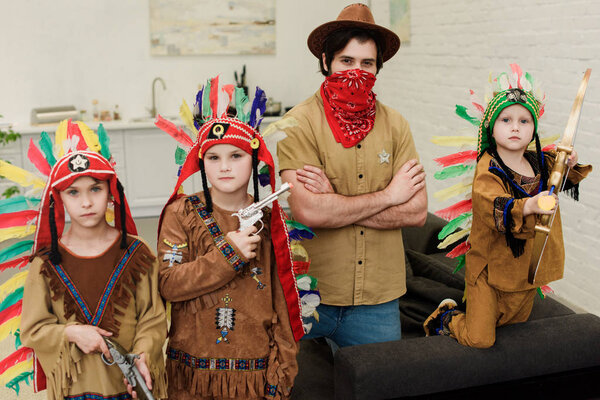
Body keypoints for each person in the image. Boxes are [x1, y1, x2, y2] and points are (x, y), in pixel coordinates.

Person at [276, 3, 427, 348]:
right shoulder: (298, 123)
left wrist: (335, 203)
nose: (357, 71)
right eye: (347, 61)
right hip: (312, 291)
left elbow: (417, 212)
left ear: (377, 68)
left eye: (367, 63)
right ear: (327, 62)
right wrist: (390, 195)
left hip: (379, 298)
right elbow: (309, 212)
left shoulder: (396, 124)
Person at [156, 80, 304, 399]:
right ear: (200, 162)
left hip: (253, 377)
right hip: (191, 376)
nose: (224, 167)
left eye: (236, 156)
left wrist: (281, 373)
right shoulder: (180, 214)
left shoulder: (271, 221)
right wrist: (228, 254)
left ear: (254, 159)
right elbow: (167, 283)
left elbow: (285, 304)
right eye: (213, 158)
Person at [423, 73, 592, 348]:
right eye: (506, 120)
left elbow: (559, 179)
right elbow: (494, 204)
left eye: (524, 121)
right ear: (492, 127)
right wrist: (532, 204)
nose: (515, 127)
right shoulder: (488, 168)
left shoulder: (539, 161)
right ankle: (447, 318)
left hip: (525, 269)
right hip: (489, 270)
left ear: (533, 128)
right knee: (481, 338)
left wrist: (567, 165)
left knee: (510, 328)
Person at [18, 121, 167, 399]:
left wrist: (143, 355)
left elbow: (153, 319)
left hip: (129, 386)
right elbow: (33, 330)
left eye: (95, 189)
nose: (86, 202)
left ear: (112, 192)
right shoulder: (45, 264)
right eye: (74, 192)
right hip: (73, 390)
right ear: (59, 199)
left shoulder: (137, 253)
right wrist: (72, 334)